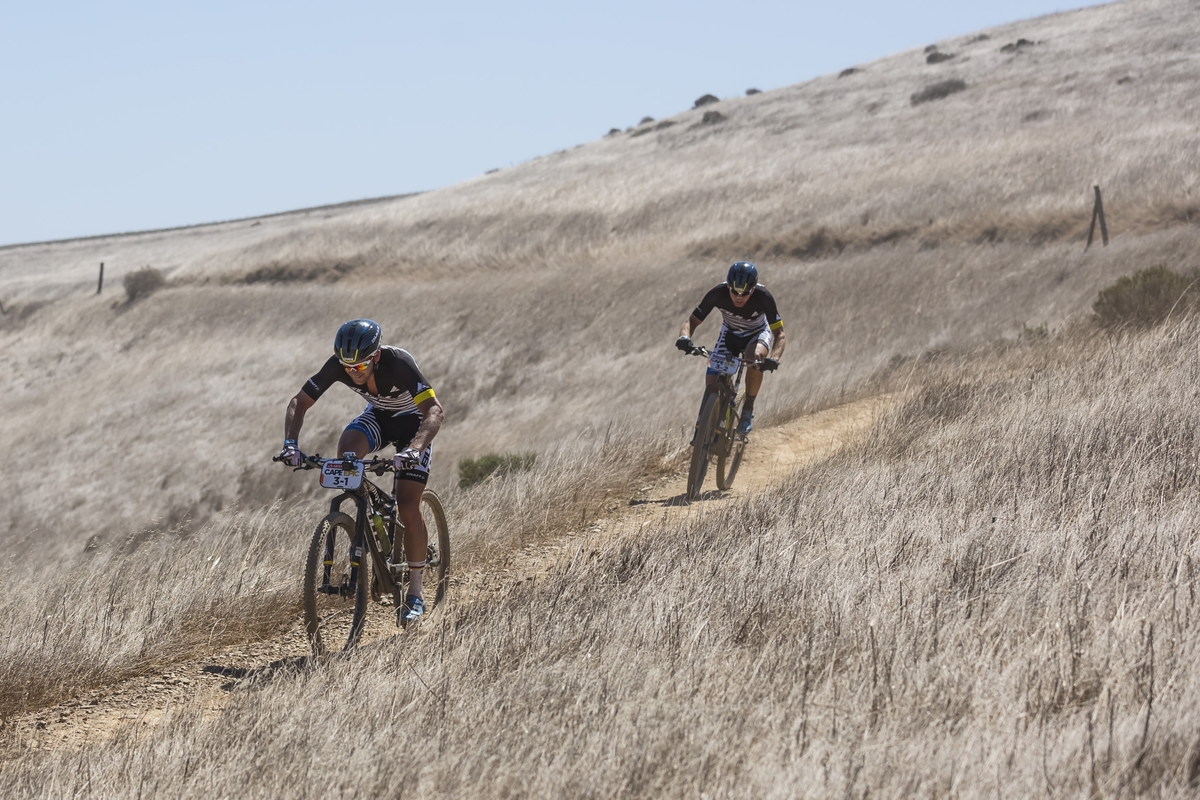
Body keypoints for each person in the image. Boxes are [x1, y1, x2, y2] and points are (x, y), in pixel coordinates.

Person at [277, 319, 444, 626]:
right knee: (347, 453)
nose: (352, 372)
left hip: (413, 427)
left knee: (408, 505)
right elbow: (299, 403)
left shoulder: (398, 363)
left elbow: (434, 411)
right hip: (378, 418)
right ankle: (374, 519)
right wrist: (290, 444)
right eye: (347, 366)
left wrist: (415, 450)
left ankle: (416, 594)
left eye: (360, 366)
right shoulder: (341, 365)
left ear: (376, 356)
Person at [675, 261, 784, 436]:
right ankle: (708, 424)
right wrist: (685, 337)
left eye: (745, 293)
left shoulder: (764, 297)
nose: (739, 297)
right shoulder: (718, 293)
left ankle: (748, 407)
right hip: (730, 334)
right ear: (728, 287)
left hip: (757, 334)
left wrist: (775, 358)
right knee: (712, 381)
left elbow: (780, 334)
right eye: (734, 292)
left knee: (753, 359)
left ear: (753, 289)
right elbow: (691, 321)